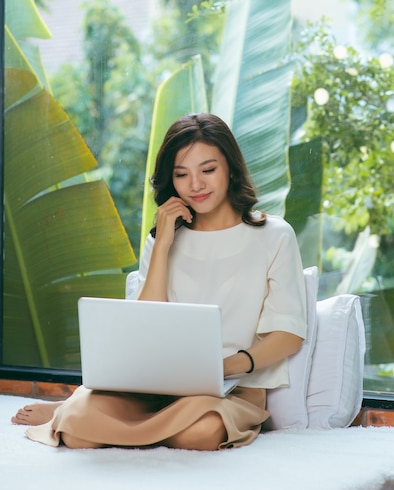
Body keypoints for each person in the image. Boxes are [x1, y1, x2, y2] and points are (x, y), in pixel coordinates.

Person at [12, 113, 307, 450]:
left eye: (208, 170)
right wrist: (163, 243)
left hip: (233, 388)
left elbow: (288, 335)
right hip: (152, 386)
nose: (195, 185)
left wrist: (220, 367)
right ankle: (75, 410)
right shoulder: (162, 239)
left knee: (201, 434)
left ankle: (76, 410)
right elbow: (144, 325)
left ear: (231, 169)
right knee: (77, 430)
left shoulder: (274, 235)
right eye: (181, 175)